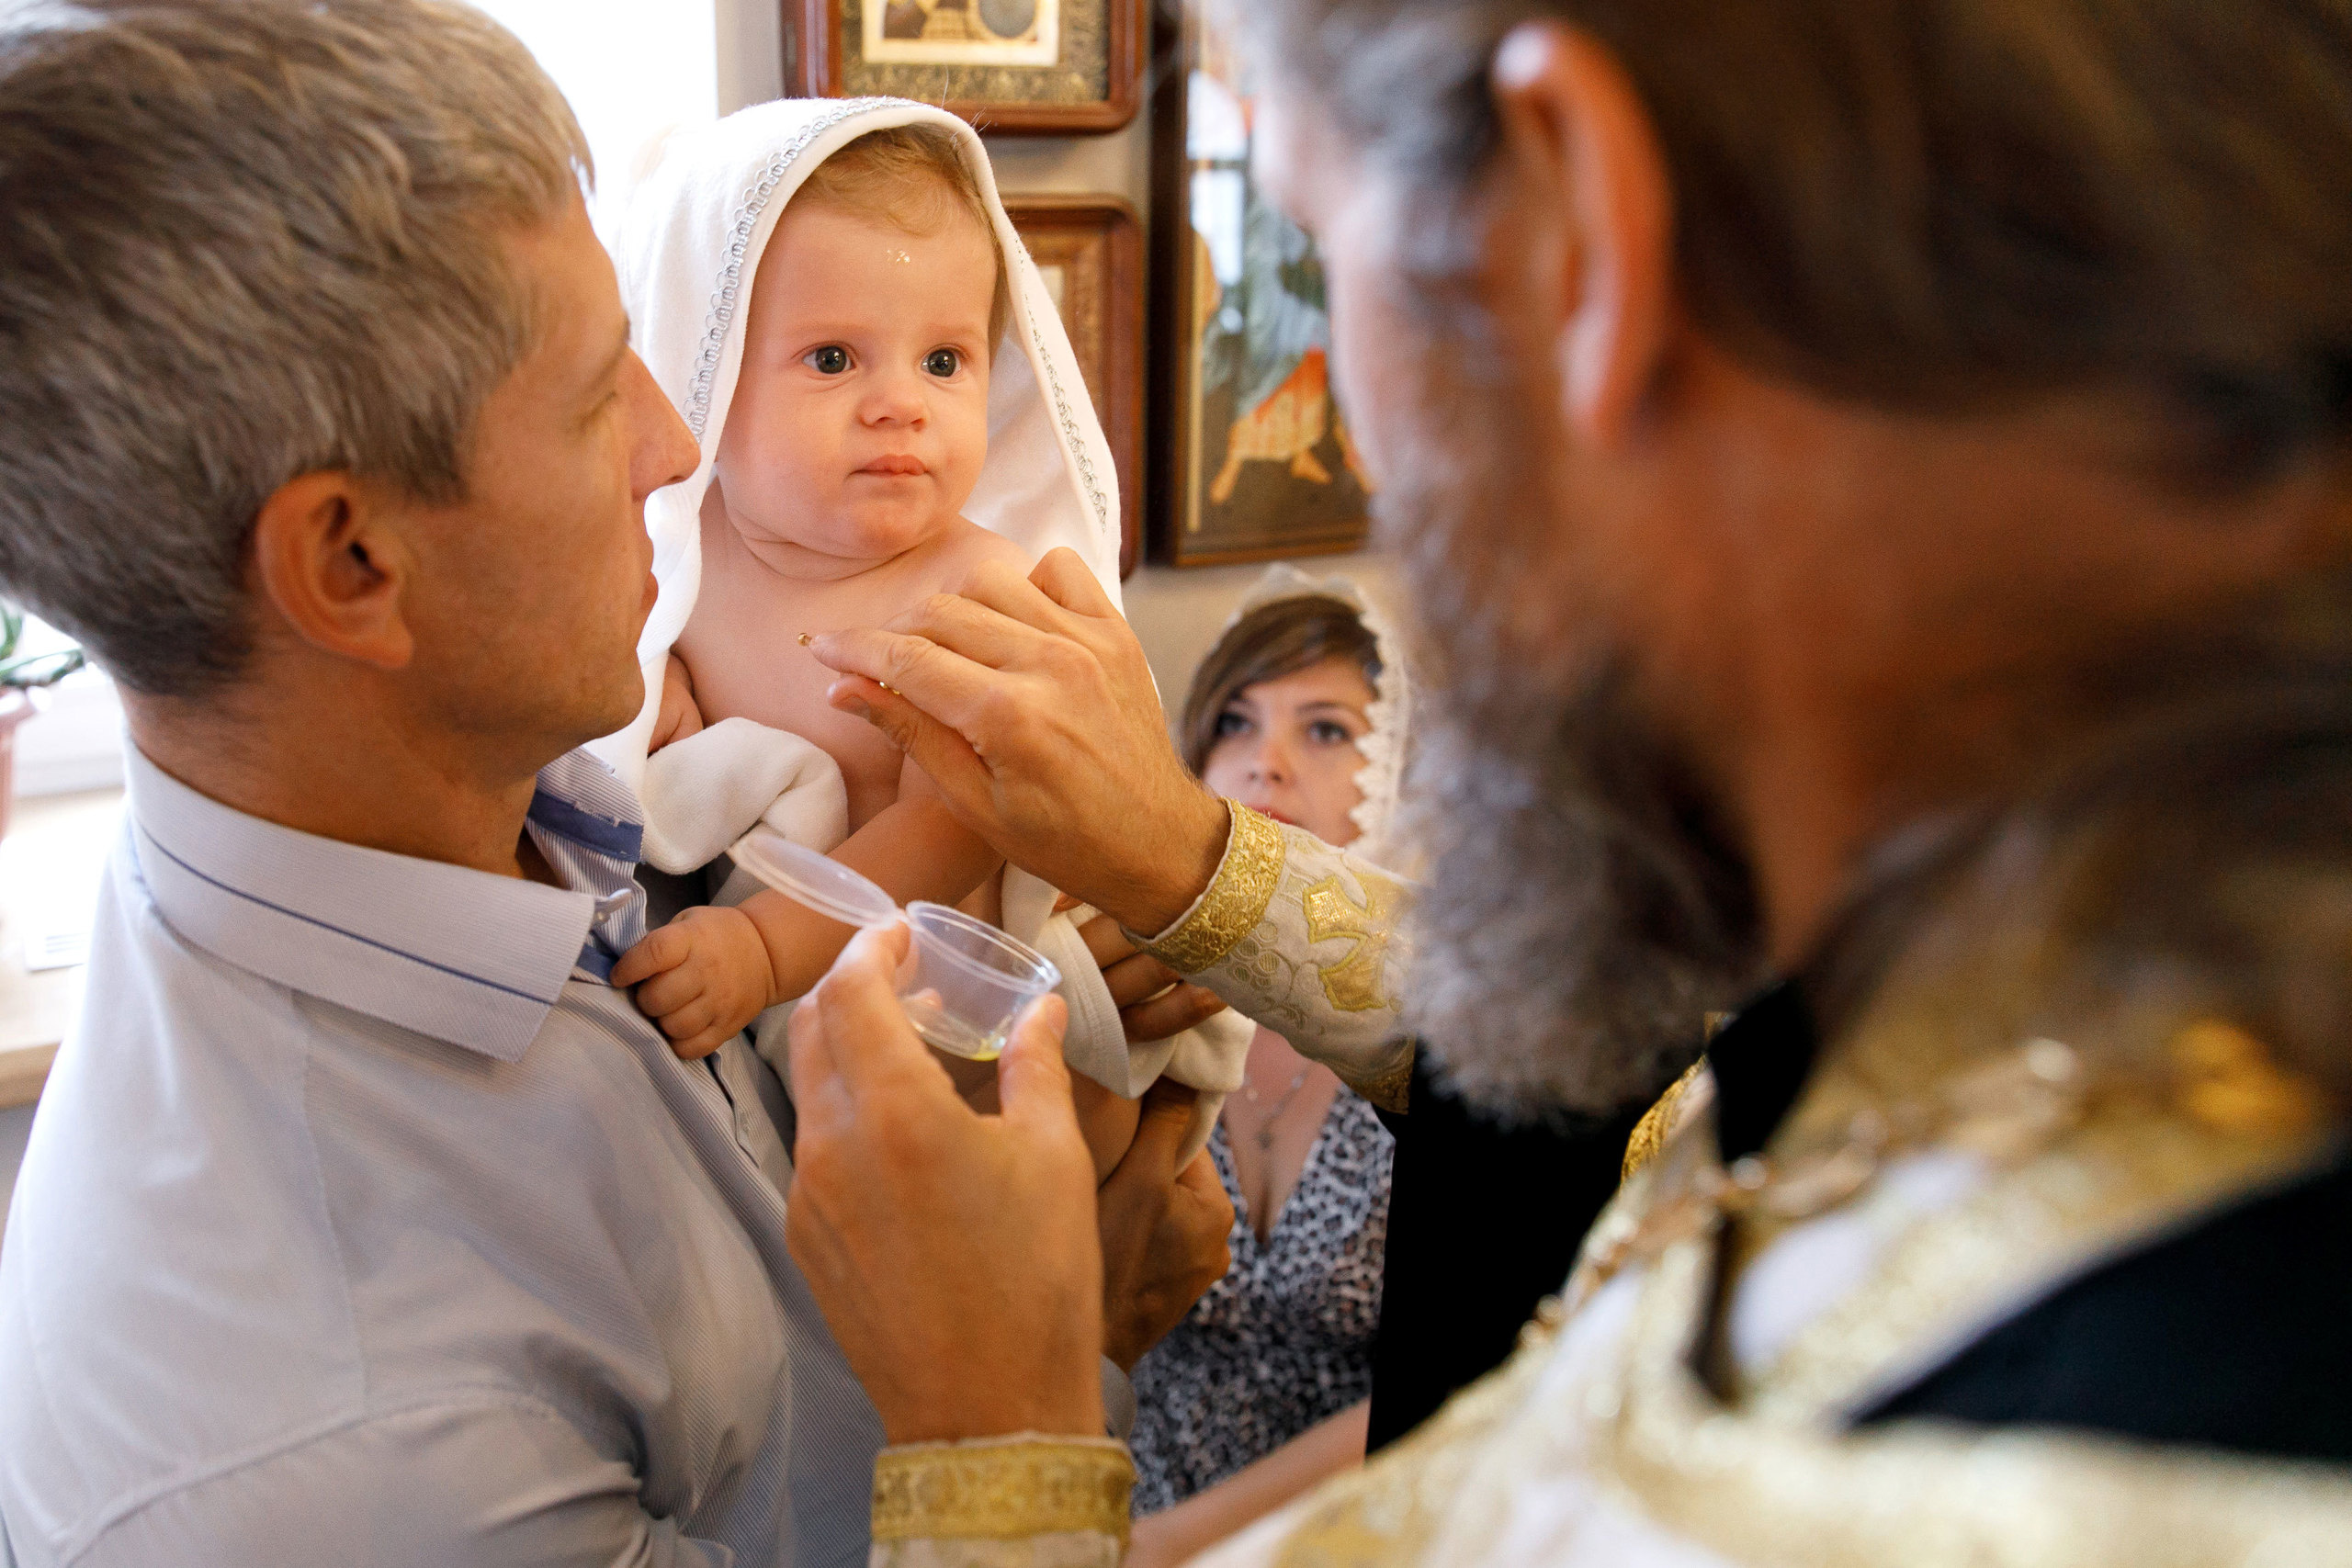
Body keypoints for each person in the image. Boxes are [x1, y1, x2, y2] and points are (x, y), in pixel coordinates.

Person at [773, 0, 2352, 1561]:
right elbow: (1646, 1110)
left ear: (1581, 232)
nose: (1369, 450)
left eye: (1324, 250)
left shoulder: (2106, 1470)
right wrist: (1198, 866)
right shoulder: (2058, 951)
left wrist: (994, 1445)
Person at [0, 6, 1231, 1565]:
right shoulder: (362, 1465)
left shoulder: (532, 793)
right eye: (597, 395)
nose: (673, 442)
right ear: (352, 561)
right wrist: (1042, 1381)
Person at [597, 99, 1249, 1170]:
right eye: (832, 358)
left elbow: (948, 834)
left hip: (961, 997)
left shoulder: (978, 596)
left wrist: (762, 947)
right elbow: (639, 711)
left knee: (1047, 1134)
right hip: (771, 994)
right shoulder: (678, 559)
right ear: (703, 376)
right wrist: (659, 699)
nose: (899, 404)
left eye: (944, 362)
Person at [1125, 572, 1401, 1553]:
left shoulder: (1441, 1032)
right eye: (1235, 723)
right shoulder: (1136, 1004)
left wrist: (1179, 1545)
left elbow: (1476, 1369)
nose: (1265, 764)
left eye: (1325, 730)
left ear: (1400, 772)